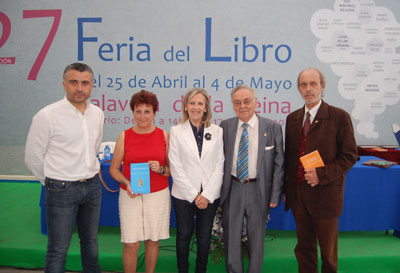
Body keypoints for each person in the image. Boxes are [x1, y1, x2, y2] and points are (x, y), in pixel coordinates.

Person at [24, 62, 104, 273]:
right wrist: (52, 180)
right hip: (60, 189)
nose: (79, 88)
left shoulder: (97, 114)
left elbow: (94, 147)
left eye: (85, 83)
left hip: (93, 187)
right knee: (58, 250)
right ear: (64, 84)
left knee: (91, 244)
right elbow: (32, 157)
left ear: (92, 85)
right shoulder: (47, 116)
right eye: (73, 82)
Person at [284, 67, 358, 273]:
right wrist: (287, 190)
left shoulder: (339, 117)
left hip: (326, 196)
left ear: (322, 87)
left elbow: (350, 156)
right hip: (299, 196)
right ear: (299, 89)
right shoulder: (292, 119)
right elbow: (290, 159)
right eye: (303, 85)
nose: (308, 89)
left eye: (313, 84)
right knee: (304, 249)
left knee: (328, 254)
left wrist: (322, 175)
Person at [220, 85, 284, 273]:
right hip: (232, 188)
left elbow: (279, 163)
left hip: (259, 190)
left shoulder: (272, 128)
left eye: (247, 101)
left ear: (256, 102)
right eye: (237, 102)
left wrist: (275, 194)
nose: (243, 106)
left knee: (257, 240)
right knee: (231, 239)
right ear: (233, 105)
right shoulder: (225, 126)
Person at [109, 90, 171, 273]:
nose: (142, 116)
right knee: (131, 243)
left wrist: (159, 168)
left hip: (158, 195)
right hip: (130, 195)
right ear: (132, 112)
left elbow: (171, 171)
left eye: (147, 111)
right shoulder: (124, 136)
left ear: (154, 113)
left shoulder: (165, 136)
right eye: (138, 111)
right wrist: (126, 182)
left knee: (152, 241)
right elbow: (113, 169)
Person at [169, 88, 224, 273]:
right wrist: (194, 195)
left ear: (206, 108)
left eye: (200, 103)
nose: (196, 107)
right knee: (183, 236)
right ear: (185, 106)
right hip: (184, 194)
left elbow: (220, 165)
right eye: (192, 103)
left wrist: (206, 195)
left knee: (204, 238)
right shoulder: (176, 131)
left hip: (209, 195)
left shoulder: (217, 131)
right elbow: (175, 166)